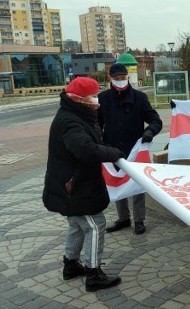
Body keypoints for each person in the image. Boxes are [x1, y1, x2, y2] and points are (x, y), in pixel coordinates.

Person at [42, 76, 124, 292]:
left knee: (77, 225)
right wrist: (114, 154)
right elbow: (85, 149)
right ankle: (93, 273)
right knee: (95, 225)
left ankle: (70, 265)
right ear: (80, 98)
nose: (97, 99)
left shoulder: (79, 114)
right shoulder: (70, 121)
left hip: (76, 184)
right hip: (74, 187)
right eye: (94, 95)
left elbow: (94, 141)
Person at [98, 63, 163, 235]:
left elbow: (155, 120)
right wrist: (99, 140)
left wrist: (150, 131)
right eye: (117, 79)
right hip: (112, 148)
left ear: (128, 77)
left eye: (123, 78)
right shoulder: (103, 98)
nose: (121, 81)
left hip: (135, 149)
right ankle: (123, 218)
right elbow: (96, 124)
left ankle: (139, 219)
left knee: (137, 185)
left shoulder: (139, 97)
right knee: (118, 182)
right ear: (110, 79)